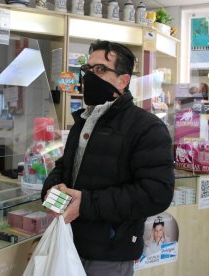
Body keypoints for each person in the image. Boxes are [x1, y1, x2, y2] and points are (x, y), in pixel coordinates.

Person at [41, 40, 174, 276]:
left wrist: (87, 203)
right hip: (68, 243)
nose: (90, 76)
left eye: (100, 69)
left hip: (108, 254)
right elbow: (65, 168)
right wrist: (52, 190)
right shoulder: (83, 121)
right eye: (88, 69)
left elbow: (156, 194)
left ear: (123, 80)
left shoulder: (146, 127)